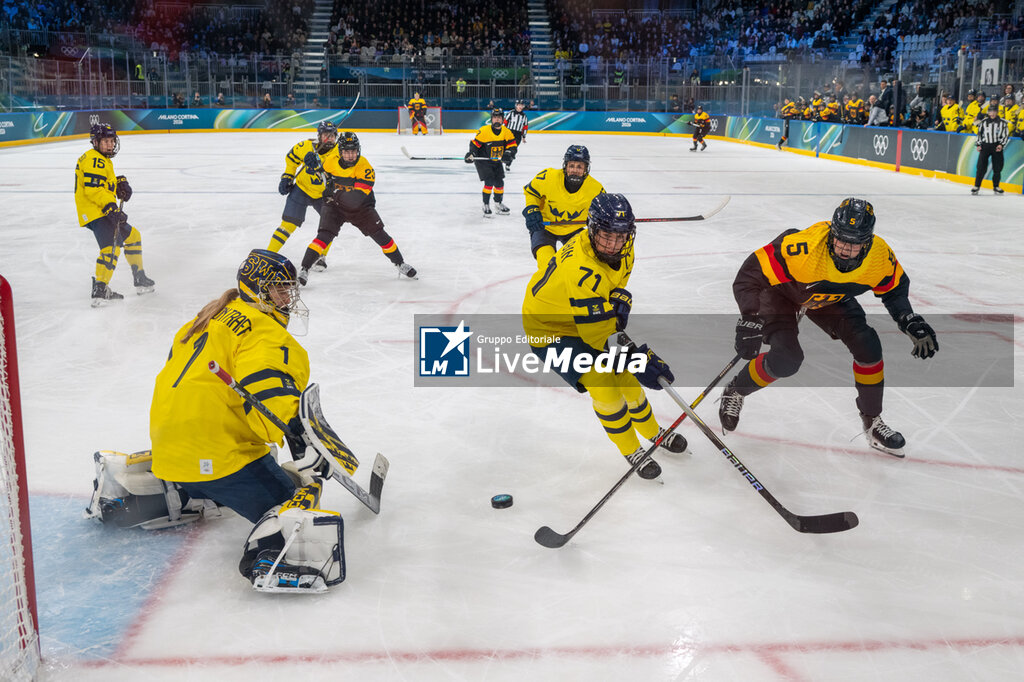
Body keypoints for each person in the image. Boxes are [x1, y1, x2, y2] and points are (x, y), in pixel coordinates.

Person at [145, 249, 346, 591]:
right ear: (258, 290)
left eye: (288, 289)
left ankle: (186, 491)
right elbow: (269, 399)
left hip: (168, 452)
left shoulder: (206, 317)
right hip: (218, 457)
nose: (287, 297)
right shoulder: (265, 332)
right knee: (293, 503)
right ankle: (269, 558)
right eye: (280, 289)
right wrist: (304, 437)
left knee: (263, 461)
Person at [717, 198, 939, 458]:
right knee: (786, 360)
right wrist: (750, 318)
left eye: (854, 244)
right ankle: (736, 390)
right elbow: (748, 276)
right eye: (840, 240)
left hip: (827, 296)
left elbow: (894, 289)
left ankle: (872, 421)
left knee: (867, 344)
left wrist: (908, 318)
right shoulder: (804, 248)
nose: (845, 249)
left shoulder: (879, 256)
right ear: (832, 233)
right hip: (780, 292)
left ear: (867, 243)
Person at [522, 194, 686, 479]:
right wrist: (638, 358)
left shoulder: (625, 250)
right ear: (592, 230)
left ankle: (653, 432)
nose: (612, 245)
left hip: (579, 313)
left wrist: (613, 304)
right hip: (548, 329)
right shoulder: (582, 270)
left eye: (619, 236)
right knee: (604, 384)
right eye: (606, 236)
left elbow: (611, 289)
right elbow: (597, 333)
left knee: (625, 378)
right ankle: (631, 449)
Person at [297, 132, 417, 284]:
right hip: (334, 206)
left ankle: (400, 263)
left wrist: (334, 192)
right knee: (323, 236)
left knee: (381, 236)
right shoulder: (331, 161)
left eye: (353, 151)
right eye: (346, 152)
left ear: (358, 150)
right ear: (340, 152)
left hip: (360, 208)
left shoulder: (365, 167)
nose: (350, 155)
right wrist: (313, 167)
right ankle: (304, 268)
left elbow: (355, 200)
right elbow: (322, 175)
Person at [74, 123, 155, 306]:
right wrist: (111, 208)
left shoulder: (99, 158)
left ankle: (139, 278)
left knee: (133, 237)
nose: (110, 145)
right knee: (111, 247)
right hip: (97, 211)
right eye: (106, 141)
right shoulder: (95, 160)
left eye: (112, 141)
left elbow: (101, 182)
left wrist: (118, 183)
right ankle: (100, 290)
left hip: (99, 209)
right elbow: (94, 190)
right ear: (95, 142)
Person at [267, 121, 337, 272]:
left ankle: (321, 256)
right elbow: (291, 160)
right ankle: (269, 255)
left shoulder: (338, 153)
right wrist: (287, 177)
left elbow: (336, 178)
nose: (330, 138)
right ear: (319, 136)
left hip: (323, 194)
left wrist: (318, 167)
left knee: (329, 225)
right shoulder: (305, 146)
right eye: (326, 135)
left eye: (332, 136)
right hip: (302, 189)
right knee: (288, 224)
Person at [522, 145, 605, 269]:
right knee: (547, 265)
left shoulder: (596, 188)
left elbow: (603, 210)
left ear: (586, 168)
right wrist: (532, 209)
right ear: (565, 166)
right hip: (544, 227)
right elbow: (532, 192)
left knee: (582, 264)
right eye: (571, 166)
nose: (575, 170)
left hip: (573, 230)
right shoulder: (549, 176)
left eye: (579, 167)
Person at [465, 108, 518, 217]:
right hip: (483, 161)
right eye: (495, 117)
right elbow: (475, 145)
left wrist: (508, 153)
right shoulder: (484, 131)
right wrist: (471, 154)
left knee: (499, 183)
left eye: (499, 117)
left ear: (503, 119)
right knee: (489, 182)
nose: (497, 119)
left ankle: (498, 204)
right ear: (491, 119)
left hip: (496, 160)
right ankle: (486, 204)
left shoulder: (506, 132)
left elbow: (513, 146)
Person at [971, 102, 1010, 195]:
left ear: (997, 112)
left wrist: (1001, 145)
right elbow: (979, 134)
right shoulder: (983, 122)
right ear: (988, 112)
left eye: (994, 111)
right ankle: (977, 186)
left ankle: (996, 186)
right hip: (985, 146)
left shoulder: (1002, 123)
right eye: (990, 112)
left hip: (996, 146)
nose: (992, 113)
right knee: (981, 167)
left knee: (997, 167)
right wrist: (978, 144)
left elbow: (1005, 135)